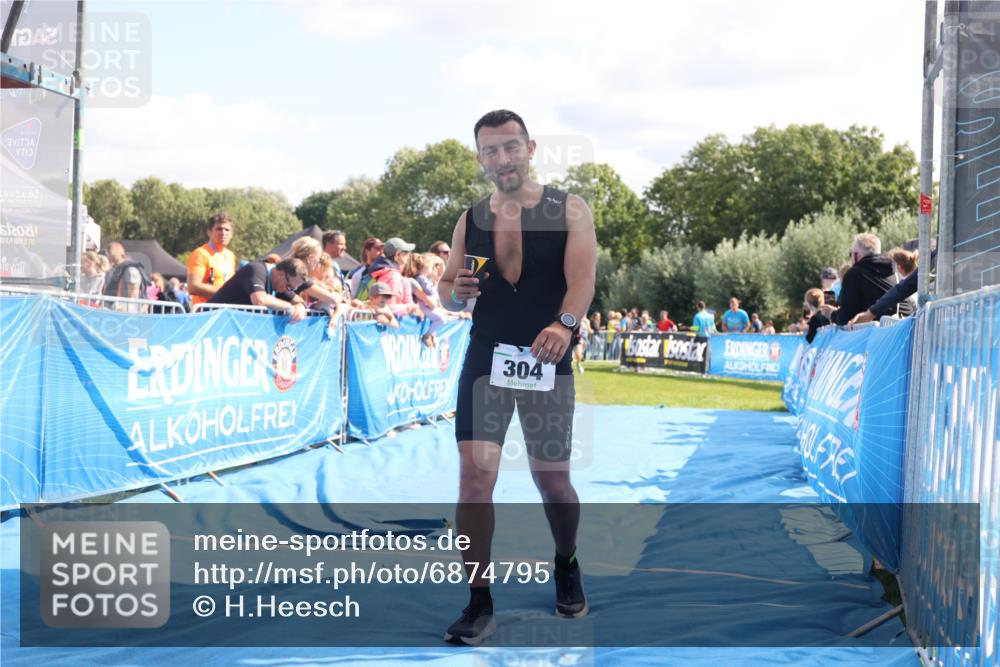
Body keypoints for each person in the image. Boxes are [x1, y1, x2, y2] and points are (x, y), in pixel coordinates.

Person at [437, 110, 596, 644]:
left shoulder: (568, 208)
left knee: (551, 479)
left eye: (510, 148)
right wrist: (455, 287)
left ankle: (566, 561)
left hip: (547, 357)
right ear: (480, 157)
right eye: (490, 151)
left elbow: (583, 282)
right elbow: (444, 291)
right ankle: (478, 601)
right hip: (486, 359)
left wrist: (565, 325)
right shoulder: (470, 218)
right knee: (474, 479)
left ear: (529, 149)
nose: (501, 159)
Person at [822, 233, 896, 325]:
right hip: (902, 333)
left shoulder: (854, 274)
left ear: (856, 256)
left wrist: (831, 313)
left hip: (874, 335)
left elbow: (846, 317)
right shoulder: (896, 273)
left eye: (850, 254)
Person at [207, 258, 309, 322]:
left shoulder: (282, 284)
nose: (289, 290)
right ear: (281, 275)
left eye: (293, 288)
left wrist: (300, 308)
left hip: (228, 323)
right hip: (209, 320)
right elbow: (259, 300)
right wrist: (290, 307)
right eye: (289, 287)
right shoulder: (256, 269)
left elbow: (299, 301)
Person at [187, 213, 237, 308]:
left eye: (227, 230)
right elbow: (193, 287)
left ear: (231, 234)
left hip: (225, 312)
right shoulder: (200, 254)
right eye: (219, 229)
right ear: (209, 232)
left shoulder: (231, 256)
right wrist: (226, 293)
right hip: (205, 313)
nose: (223, 233)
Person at [368, 237, 424, 320]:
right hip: (389, 327)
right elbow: (389, 307)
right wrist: (412, 307)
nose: (409, 255)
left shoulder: (384, 272)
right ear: (397, 255)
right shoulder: (393, 276)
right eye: (406, 253)